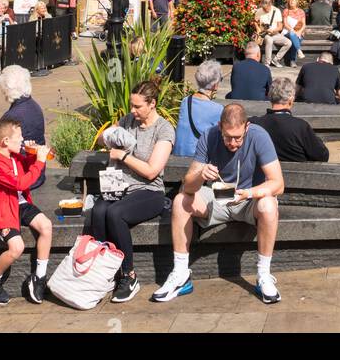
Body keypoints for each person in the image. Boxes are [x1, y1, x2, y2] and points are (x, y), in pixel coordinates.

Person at [152, 101, 284, 306]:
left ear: (246, 127)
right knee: (180, 202)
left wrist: (248, 193)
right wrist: (200, 174)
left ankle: (264, 274)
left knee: (268, 204)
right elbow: (187, 186)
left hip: (249, 199)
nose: (232, 143)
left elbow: (278, 184)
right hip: (217, 198)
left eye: (238, 138)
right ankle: (180, 273)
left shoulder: (259, 136)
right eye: (228, 137)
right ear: (220, 127)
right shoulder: (209, 136)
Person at [89, 80, 175, 303]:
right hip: (119, 186)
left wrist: (124, 156)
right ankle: (104, 271)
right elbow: (100, 139)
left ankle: (129, 275)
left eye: (138, 106)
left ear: (152, 104)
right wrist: (109, 136)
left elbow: (151, 171)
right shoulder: (128, 121)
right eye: (131, 105)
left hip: (149, 191)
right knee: (98, 211)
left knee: (115, 213)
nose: (132, 111)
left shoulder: (164, 129)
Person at [0, 116, 52, 306]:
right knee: (17, 248)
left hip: (20, 204)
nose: (22, 140)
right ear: (5, 141)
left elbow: (27, 167)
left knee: (46, 226)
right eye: (19, 137)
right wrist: (39, 161)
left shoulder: (13, 156)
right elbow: (20, 182)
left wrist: (32, 154)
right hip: (3, 209)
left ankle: (39, 276)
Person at [253, 77, 329, 162]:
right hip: (299, 174)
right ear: (291, 100)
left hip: (264, 174)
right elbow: (323, 155)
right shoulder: (300, 127)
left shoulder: (255, 124)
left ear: (270, 97)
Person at [174, 59, 223, 158]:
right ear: (215, 85)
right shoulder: (218, 109)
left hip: (178, 153)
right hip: (198, 159)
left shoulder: (185, 101)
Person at [255, 0, 291, 67]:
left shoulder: (276, 11)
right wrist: (258, 28)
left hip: (274, 33)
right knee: (269, 39)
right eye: (263, 8)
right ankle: (267, 63)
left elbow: (280, 26)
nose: (264, 10)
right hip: (264, 34)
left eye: (266, 8)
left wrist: (273, 30)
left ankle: (276, 60)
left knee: (288, 42)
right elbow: (255, 22)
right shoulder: (259, 11)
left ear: (270, 4)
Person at [281, 0, 307, 66]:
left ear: (296, 2)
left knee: (294, 40)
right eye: (290, 1)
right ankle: (298, 52)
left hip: (299, 32)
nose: (291, 2)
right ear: (288, 3)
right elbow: (285, 24)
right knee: (293, 35)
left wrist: (299, 31)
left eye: (293, 1)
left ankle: (292, 61)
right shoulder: (286, 11)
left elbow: (304, 24)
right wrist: (294, 31)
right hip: (288, 32)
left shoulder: (301, 11)